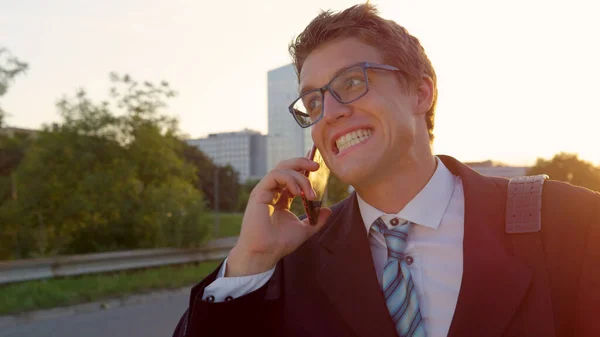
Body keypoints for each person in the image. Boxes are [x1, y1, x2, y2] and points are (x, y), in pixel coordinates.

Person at [173, 3, 599, 337]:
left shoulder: (571, 222)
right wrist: (251, 259)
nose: (331, 113)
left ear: (420, 92)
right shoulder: (290, 257)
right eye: (314, 102)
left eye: (352, 82)